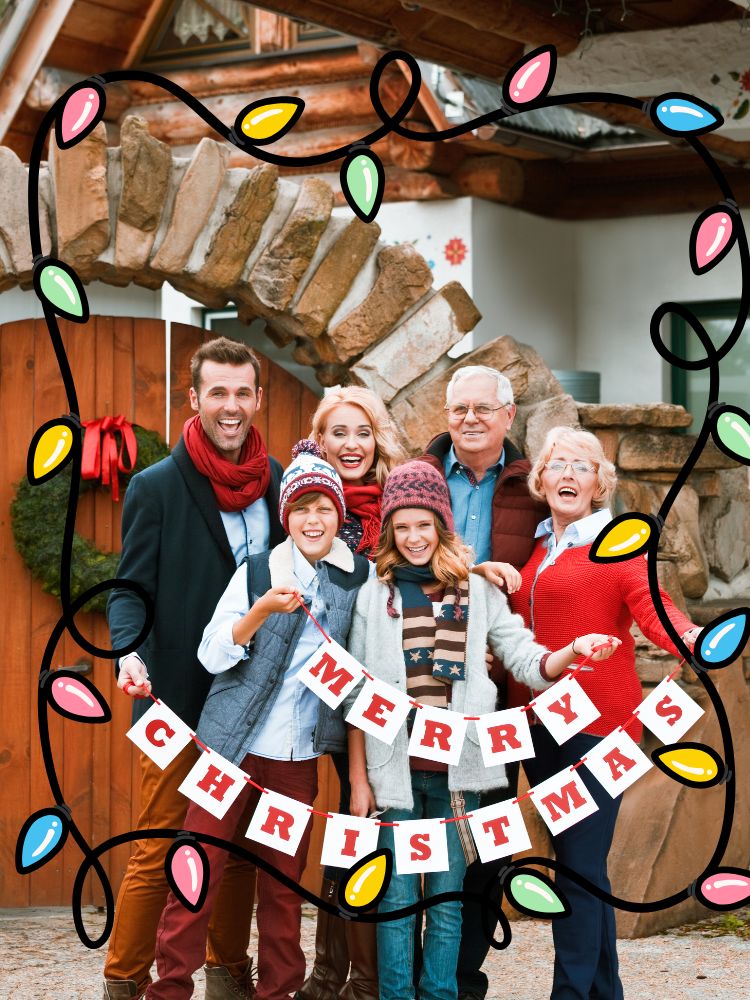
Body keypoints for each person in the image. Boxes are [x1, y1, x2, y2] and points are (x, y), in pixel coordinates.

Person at [344, 461, 618, 1000]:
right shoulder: (374, 597)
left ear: (442, 527)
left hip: (457, 777)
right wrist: (359, 780)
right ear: (391, 533)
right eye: (403, 526)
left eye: (424, 525)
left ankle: (441, 994)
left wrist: (571, 651)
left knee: (447, 904)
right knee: (397, 902)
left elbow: (525, 659)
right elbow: (357, 695)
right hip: (394, 773)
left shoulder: (479, 593)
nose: (414, 537)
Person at [145, 442, 370, 1000]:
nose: (312, 519)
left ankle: (278, 992)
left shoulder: (355, 579)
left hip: (295, 761)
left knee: (282, 888)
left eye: (324, 508)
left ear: (338, 516)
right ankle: (169, 988)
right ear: (286, 516)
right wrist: (261, 610)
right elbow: (211, 654)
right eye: (301, 508)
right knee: (196, 870)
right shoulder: (256, 572)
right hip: (228, 751)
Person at [105, 337, 284, 1000]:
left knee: (236, 851)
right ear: (195, 399)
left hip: (253, 703)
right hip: (175, 698)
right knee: (159, 848)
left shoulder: (282, 482)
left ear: (258, 398)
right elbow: (130, 589)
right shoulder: (156, 486)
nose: (231, 406)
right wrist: (128, 654)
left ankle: (227, 975)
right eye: (219, 393)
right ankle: (123, 982)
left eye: (243, 392)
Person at [511, 426, 702, 1000]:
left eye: (582, 465)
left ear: (600, 482)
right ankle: (604, 993)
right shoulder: (540, 547)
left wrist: (694, 637)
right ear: (540, 479)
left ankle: (569, 994)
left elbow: (653, 606)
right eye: (557, 464)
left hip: (600, 729)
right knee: (584, 867)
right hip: (544, 726)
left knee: (577, 867)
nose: (568, 474)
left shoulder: (616, 544)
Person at [418, 364, 547, 1000]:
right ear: (446, 414)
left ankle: (461, 976)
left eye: (482, 409)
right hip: (419, 693)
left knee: (487, 842)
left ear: (507, 413)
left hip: (501, 694)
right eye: (459, 408)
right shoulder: (416, 480)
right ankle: (404, 974)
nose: (469, 419)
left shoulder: (535, 486)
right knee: (410, 834)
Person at [298, 386, 404, 1000]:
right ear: (320, 440)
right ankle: (332, 972)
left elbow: (429, 558)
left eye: (362, 432)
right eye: (339, 432)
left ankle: (355, 975)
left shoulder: (397, 506)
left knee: (364, 820)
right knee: (346, 818)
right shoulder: (307, 503)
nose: (352, 444)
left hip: (381, 690)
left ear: (377, 438)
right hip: (319, 689)